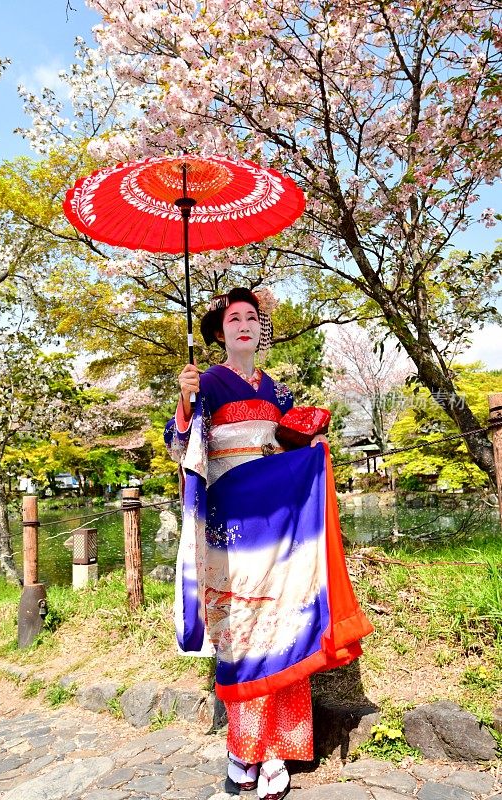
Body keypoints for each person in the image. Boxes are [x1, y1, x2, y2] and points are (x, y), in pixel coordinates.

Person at [165, 287, 373, 800]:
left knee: (284, 622)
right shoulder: (208, 381)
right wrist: (186, 399)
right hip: (233, 520)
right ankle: (243, 749)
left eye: (252, 318)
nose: (243, 325)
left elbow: (282, 448)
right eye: (233, 318)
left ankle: (276, 750)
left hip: (275, 519)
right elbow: (180, 446)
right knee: (242, 626)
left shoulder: (275, 390)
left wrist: (306, 447)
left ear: (261, 329)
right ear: (218, 332)